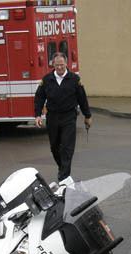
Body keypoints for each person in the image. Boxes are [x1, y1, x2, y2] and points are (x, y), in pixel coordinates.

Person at [34, 52, 92, 183]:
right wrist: (38, 115)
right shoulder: (47, 79)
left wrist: (87, 115)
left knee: (67, 146)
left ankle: (64, 177)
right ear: (53, 65)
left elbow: (82, 99)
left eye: (62, 64)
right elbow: (39, 98)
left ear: (66, 64)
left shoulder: (74, 80)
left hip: (69, 117)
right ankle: (62, 168)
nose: (59, 67)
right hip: (53, 117)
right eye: (57, 65)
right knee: (54, 147)